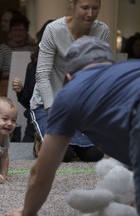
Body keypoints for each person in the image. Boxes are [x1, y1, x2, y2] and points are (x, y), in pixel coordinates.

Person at [5, 36, 140, 216]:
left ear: (69, 75)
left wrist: (27, 211)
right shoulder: (138, 67)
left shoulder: (71, 92)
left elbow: (41, 172)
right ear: (110, 63)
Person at [29, 0, 109, 161]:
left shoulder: (102, 30)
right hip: (48, 103)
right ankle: (40, 137)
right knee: (63, 154)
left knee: (93, 154)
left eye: (95, 8)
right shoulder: (54, 30)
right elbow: (42, 75)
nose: (90, 13)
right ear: (72, 5)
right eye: (85, 8)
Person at [11, 19, 54, 142]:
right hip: (34, 124)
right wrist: (20, 91)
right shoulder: (33, 65)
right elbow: (29, 102)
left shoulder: (68, 65)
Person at [0, 14, 34, 96]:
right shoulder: (2, 48)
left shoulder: (32, 49)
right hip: (5, 87)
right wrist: (13, 72)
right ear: (10, 31)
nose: (18, 33)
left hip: (26, 87)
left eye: (21, 30)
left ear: (26, 32)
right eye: (15, 30)